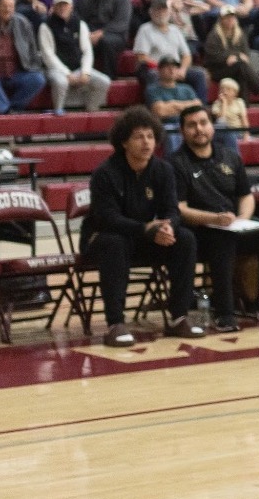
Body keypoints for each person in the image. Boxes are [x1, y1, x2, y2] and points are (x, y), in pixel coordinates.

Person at [170, 104, 259, 330]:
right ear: (182, 131)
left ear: (212, 126)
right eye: (192, 125)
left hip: (232, 225)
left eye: (203, 123)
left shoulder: (229, 156)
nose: (199, 129)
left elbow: (246, 196)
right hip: (200, 230)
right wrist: (213, 219)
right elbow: (180, 209)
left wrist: (243, 218)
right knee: (222, 240)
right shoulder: (175, 163)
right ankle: (224, 313)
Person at [83, 107, 201, 346]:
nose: (146, 142)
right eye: (138, 137)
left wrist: (167, 228)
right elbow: (108, 218)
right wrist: (147, 229)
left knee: (185, 238)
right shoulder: (105, 173)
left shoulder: (163, 169)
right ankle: (115, 324)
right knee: (115, 242)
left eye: (150, 136)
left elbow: (172, 210)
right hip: (103, 239)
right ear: (124, 142)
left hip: (143, 237)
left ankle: (179, 317)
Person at [39, 0, 110, 114]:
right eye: (59, 5)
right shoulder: (45, 26)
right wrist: (67, 73)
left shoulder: (80, 24)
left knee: (104, 81)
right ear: (53, 7)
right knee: (61, 82)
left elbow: (87, 50)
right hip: (54, 70)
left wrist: (86, 71)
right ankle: (58, 111)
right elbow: (48, 55)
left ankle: (91, 111)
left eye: (65, 4)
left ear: (71, 6)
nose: (62, 8)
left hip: (77, 68)